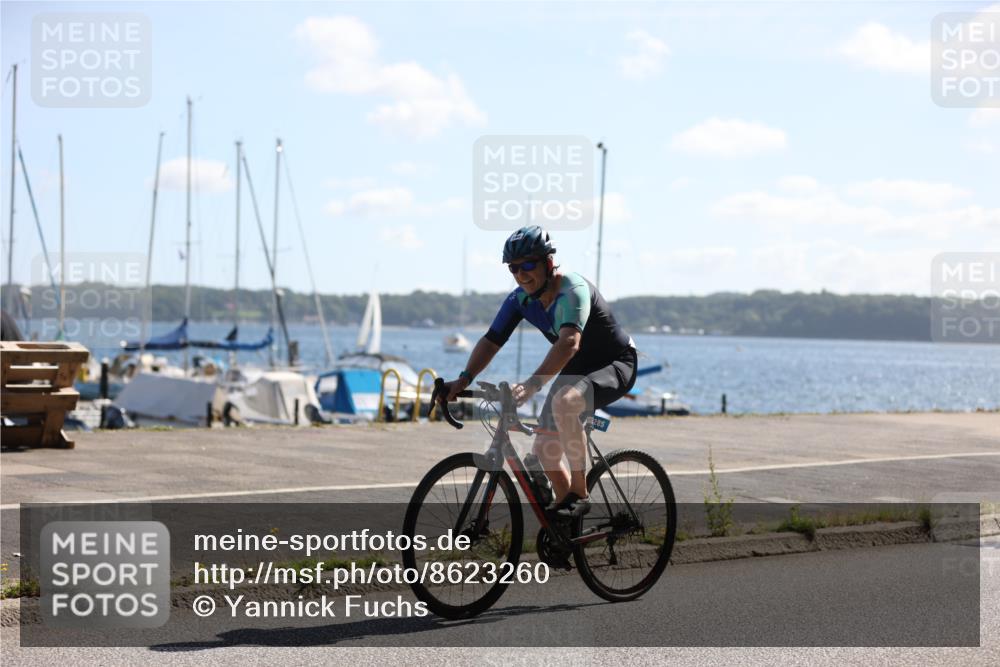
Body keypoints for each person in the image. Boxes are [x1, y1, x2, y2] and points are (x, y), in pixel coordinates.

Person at [440, 225, 637, 518]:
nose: (521, 274)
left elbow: (569, 343)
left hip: (615, 363)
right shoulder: (519, 299)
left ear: (547, 263)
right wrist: (464, 379)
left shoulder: (573, 289)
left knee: (566, 402)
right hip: (576, 370)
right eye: (514, 268)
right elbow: (491, 341)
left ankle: (580, 494)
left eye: (528, 265)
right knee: (544, 452)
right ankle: (566, 529)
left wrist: (532, 385)